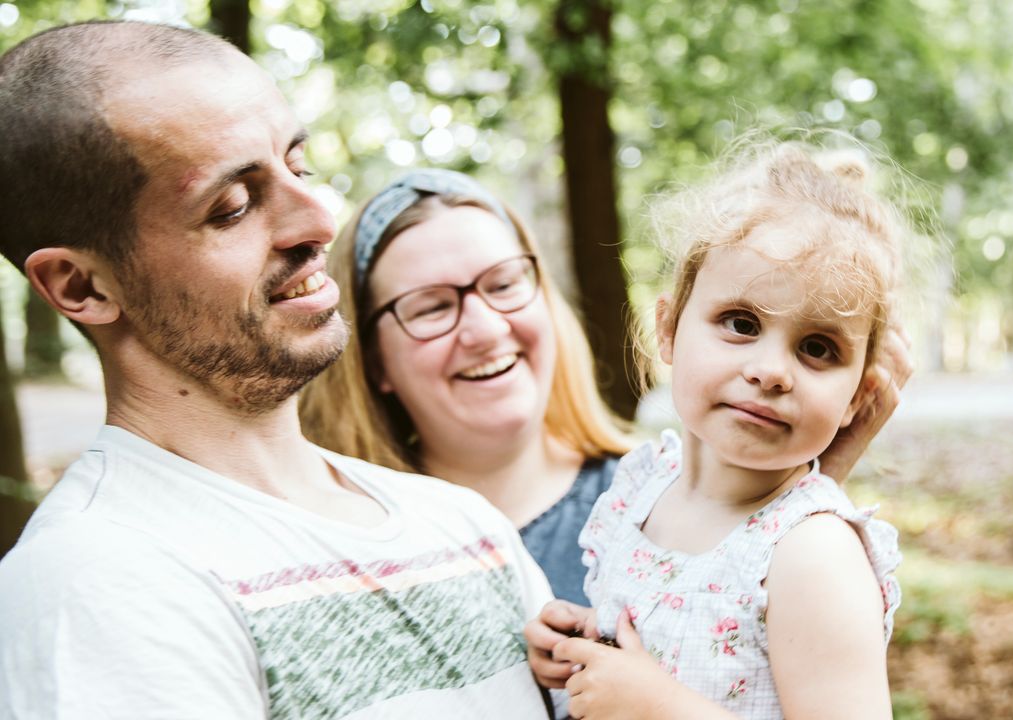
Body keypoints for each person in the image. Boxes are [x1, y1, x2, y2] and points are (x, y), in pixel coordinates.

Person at [0, 21, 555, 718]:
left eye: (301, 166)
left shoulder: (461, 525)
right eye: (231, 207)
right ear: (82, 287)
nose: (320, 219)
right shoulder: (95, 582)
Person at [299, 167, 912, 609]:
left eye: (504, 283)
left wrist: (823, 471)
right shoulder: (340, 554)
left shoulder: (651, 500)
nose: (486, 328)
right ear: (371, 360)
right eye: (431, 307)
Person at [526, 142, 911, 719]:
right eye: (741, 322)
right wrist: (588, 644)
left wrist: (656, 706)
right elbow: (685, 640)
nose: (771, 371)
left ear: (859, 396)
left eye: (817, 348)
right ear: (668, 329)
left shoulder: (812, 553)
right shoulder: (642, 489)